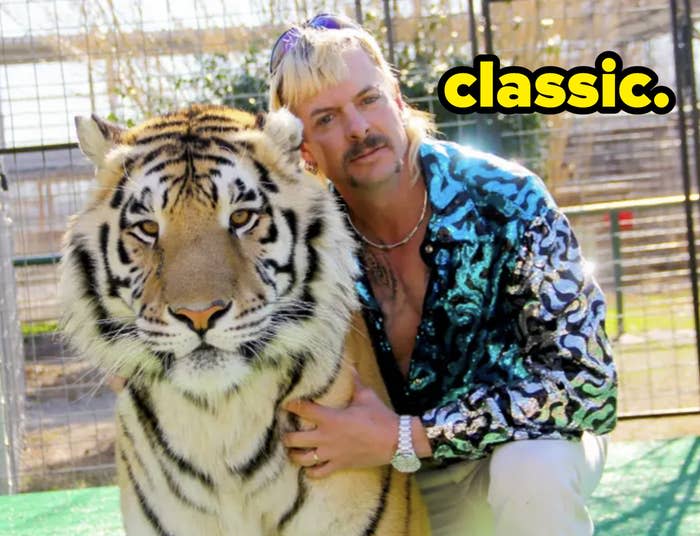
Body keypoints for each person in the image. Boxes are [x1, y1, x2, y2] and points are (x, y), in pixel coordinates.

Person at [268, 12, 618, 536]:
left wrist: (410, 436)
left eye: (368, 100)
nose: (359, 128)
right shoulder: (301, 244)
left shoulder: (508, 199)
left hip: (510, 454)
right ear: (305, 152)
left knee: (534, 471)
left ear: (397, 98)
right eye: (326, 119)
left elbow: (588, 384)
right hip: (380, 476)